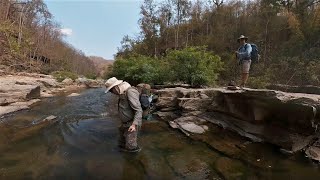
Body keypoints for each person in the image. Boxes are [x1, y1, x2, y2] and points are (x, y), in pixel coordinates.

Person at [105, 77, 142, 152]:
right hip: (125, 123)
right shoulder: (122, 93)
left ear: (116, 87)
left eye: (111, 90)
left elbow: (138, 110)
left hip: (131, 124)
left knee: (131, 147)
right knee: (121, 143)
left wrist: (134, 125)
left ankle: (135, 161)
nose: (111, 92)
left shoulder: (130, 92)